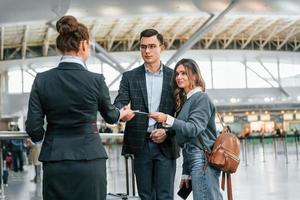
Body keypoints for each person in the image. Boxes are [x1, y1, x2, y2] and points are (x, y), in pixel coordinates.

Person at [26, 15, 134, 200]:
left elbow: (34, 129)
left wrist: (46, 142)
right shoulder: (96, 80)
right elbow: (110, 115)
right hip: (90, 158)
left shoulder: (42, 80)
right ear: (83, 44)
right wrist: (121, 114)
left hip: (55, 160)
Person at [114, 28, 179, 200]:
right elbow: (120, 101)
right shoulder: (129, 77)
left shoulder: (175, 77)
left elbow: (181, 114)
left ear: (161, 48)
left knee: (165, 195)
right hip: (140, 143)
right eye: (143, 47)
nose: (147, 51)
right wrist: (121, 111)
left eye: (152, 46)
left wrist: (167, 131)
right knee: (145, 195)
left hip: (166, 142)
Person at [149, 58, 223, 200]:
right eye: (177, 74)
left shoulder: (201, 98)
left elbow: (193, 129)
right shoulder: (187, 100)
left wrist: (167, 119)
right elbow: (188, 142)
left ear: (195, 76)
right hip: (193, 158)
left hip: (202, 160)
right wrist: (185, 172)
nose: (179, 77)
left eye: (184, 73)